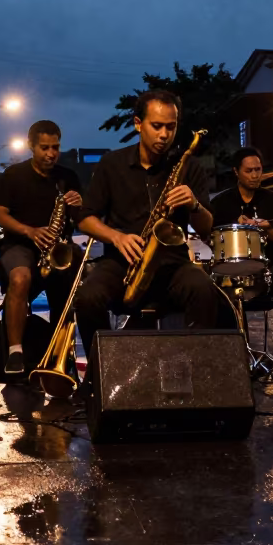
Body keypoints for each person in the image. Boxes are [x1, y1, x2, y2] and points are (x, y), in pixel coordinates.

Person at [74, 89, 220, 359]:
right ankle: (101, 374)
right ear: (138, 123)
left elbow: (206, 228)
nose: (164, 135)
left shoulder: (189, 166)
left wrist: (194, 204)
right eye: (156, 126)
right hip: (121, 261)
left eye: (171, 127)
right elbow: (85, 218)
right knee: (87, 297)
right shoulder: (111, 164)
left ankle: (198, 374)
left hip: (172, 263)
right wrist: (116, 237)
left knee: (204, 290)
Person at [0, 119, 84, 377]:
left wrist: (78, 204)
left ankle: (61, 354)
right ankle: (15, 352)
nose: (51, 153)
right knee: (20, 278)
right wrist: (30, 231)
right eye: (44, 147)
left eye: (55, 147)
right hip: (20, 244)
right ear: (31, 145)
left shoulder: (68, 177)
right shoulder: (14, 175)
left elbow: (81, 217)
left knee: (66, 293)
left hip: (56, 248)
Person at [210, 146, 273, 357]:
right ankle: (240, 353)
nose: (255, 175)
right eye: (249, 170)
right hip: (229, 265)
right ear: (236, 172)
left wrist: (266, 228)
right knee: (217, 290)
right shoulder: (220, 203)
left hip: (267, 265)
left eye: (258, 169)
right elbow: (209, 238)